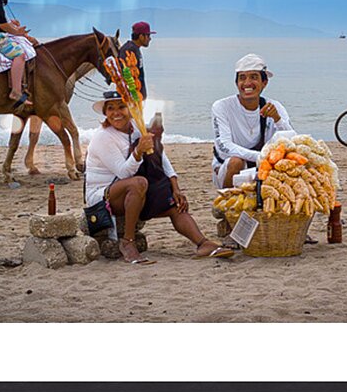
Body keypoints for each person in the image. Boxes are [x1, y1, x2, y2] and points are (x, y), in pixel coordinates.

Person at [84, 90, 234, 265]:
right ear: (105, 113)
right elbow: (124, 173)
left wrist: (175, 187)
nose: (116, 113)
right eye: (110, 108)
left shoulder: (136, 127)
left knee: (174, 204)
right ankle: (128, 241)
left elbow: (161, 157)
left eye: (121, 107)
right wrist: (138, 151)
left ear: (130, 109)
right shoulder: (103, 137)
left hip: (133, 189)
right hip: (103, 195)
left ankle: (202, 243)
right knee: (139, 183)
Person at [211, 54, 293, 189]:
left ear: (264, 83)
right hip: (230, 167)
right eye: (242, 78)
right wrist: (261, 156)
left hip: (264, 166)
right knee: (236, 162)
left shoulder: (274, 107)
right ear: (236, 83)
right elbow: (224, 147)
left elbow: (292, 141)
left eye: (254, 77)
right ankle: (227, 200)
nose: (247, 83)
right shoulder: (222, 106)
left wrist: (278, 120)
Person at [118, 21, 155, 100]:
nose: (150, 39)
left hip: (138, 98)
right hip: (132, 99)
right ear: (141, 36)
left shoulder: (135, 49)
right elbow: (127, 75)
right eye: (148, 35)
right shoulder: (129, 50)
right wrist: (134, 97)